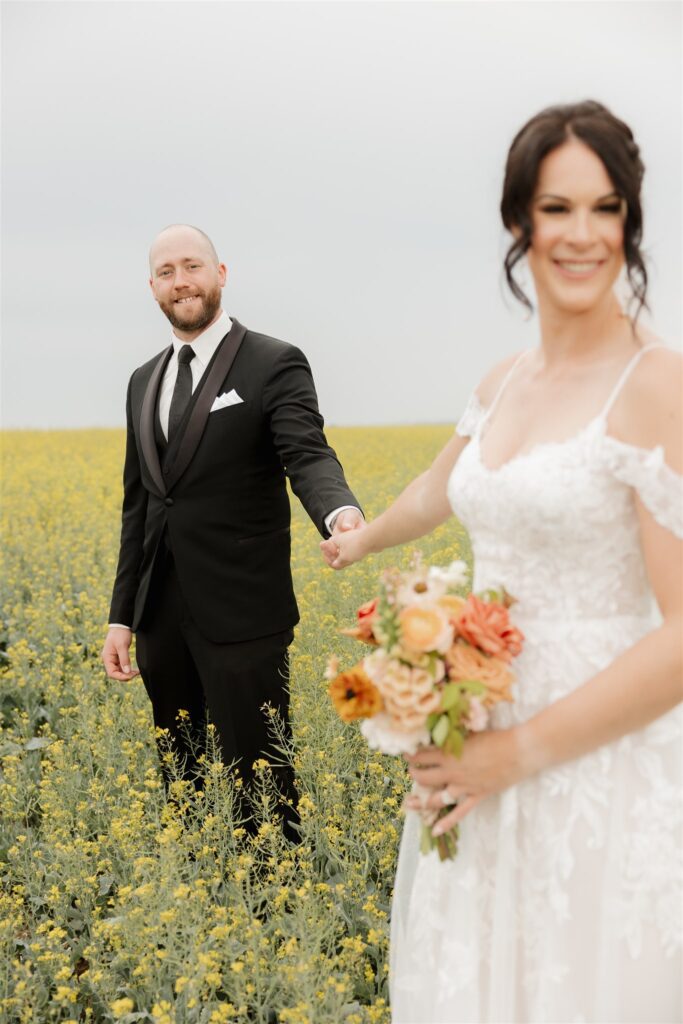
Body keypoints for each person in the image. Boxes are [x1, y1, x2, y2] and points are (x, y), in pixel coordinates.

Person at [321, 101, 682, 1023]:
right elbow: (441, 491)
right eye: (556, 208)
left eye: (606, 209)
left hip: (589, 759)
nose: (581, 234)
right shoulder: (501, 381)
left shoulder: (655, 384)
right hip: (476, 739)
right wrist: (362, 539)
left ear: (630, 224)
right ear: (518, 221)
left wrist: (509, 756)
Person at [102, 224, 363, 837]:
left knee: (262, 779)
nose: (180, 281)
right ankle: (204, 891)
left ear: (222, 274)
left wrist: (339, 512)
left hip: (243, 610)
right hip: (160, 615)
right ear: (152, 287)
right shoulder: (144, 380)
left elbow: (307, 454)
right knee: (183, 778)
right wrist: (122, 616)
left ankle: (276, 911)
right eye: (166, 272)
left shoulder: (273, 361)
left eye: (192, 266)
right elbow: (139, 506)